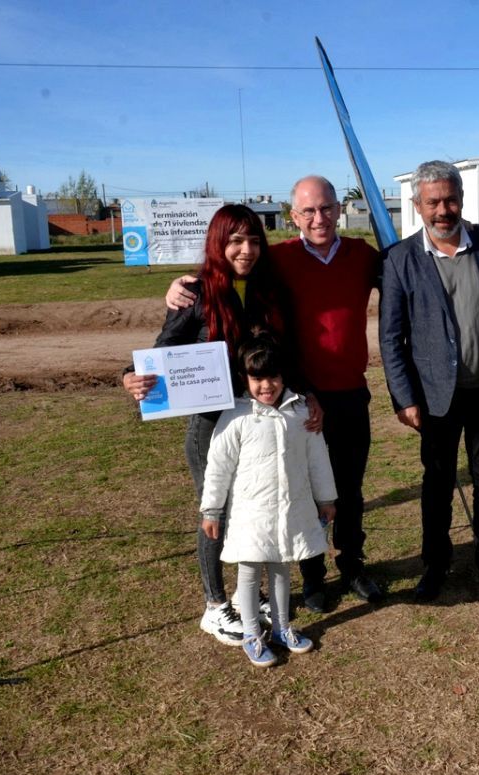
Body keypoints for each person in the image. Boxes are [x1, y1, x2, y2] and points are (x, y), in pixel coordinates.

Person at [166, 176, 383, 614]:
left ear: (339, 209)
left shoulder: (363, 256)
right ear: (292, 217)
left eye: (325, 208)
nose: (318, 218)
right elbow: (222, 275)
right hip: (295, 399)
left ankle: (353, 564)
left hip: (348, 393)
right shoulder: (277, 260)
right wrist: (177, 287)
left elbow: (410, 274)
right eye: (308, 211)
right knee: (302, 488)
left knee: (349, 489)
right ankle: (313, 576)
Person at [124, 204, 284, 646]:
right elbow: (163, 349)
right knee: (216, 514)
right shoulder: (195, 293)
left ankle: (256, 595)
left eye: (253, 240)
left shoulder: (266, 290)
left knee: (256, 508)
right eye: (235, 241)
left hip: (256, 424)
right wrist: (130, 375)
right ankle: (215, 607)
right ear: (218, 242)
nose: (246, 250)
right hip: (211, 429)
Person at [379, 160, 479, 604]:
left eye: (450, 199)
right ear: (417, 204)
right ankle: (435, 565)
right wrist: (404, 398)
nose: (443, 209)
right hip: (434, 399)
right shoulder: (400, 259)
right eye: (433, 202)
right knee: (437, 485)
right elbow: (390, 337)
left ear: (461, 198)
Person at [200, 334, 336, 667]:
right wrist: (212, 510)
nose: (267, 385)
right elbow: (218, 467)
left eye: (273, 377)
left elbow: (318, 458)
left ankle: (281, 628)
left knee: (281, 568)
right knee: (249, 574)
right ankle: (251, 634)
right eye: (258, 378)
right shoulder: (235, 417)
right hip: (250, 514)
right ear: (245, 380)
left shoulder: (300, 412)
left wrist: (326, 498)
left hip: (290, 509)